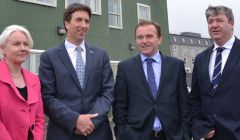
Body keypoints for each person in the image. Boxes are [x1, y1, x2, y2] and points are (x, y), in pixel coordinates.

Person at [38, 3, 114, 140]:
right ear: (67, 23)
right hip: (63, 132)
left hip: (97, 132)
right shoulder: (49, 57)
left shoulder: (100, 55)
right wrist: (75, 120)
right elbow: (47, 97)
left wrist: (90, 121)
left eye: (86, 21)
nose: (84, 25)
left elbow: (108, 91)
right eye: (78, 20)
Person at [113, 20, 190, 140]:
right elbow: (119, 106)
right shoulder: (125, 67)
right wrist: (122, 134)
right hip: (136, 136)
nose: (144, 41)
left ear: (160, 39)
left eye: (149, 36)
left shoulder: (176, 66)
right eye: (139, 37)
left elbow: (184, 104)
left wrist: (185, 134)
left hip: (171, 136)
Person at [190, 5, 240, 140]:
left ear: (231, 23)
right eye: (210, 21)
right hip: (208, 136)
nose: (214, 25)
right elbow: (195, 98)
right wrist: (199, 127)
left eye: (219, 20)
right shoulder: (201, 59)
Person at [0, 25, 45, 140]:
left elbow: (39, 119)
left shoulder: (34, 80)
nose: (23, 48)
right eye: (16, 44)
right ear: (3, 48)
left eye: (26, 44)